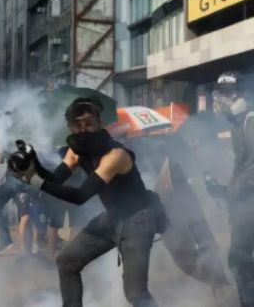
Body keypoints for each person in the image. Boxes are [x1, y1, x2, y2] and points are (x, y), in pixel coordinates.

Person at [10, 97, 165, 307]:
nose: (83, 131)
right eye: (77, 125)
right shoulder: (76, 152)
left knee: (136, 293)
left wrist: (33, 180)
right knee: (67, 261)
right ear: (70, 127)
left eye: (89, 124)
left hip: (138, 219)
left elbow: (80, 196)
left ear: (100, 124)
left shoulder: (115, 155)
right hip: (113, 217)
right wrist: (33, 161)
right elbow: (56, 179)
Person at [213, 72, 254, 307]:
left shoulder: (253, 120)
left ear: (242, 95)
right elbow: (245, 165)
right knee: (250, 261)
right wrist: (223, 189)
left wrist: (234, 191)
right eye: (220, 93)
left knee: (239, 260)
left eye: (228, 94)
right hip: (248, 206)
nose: (222, 99)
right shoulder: (240, 123)